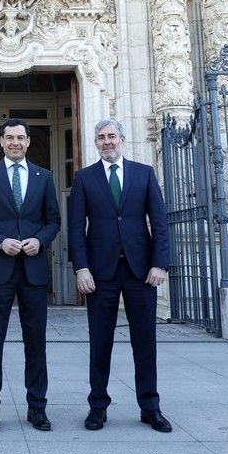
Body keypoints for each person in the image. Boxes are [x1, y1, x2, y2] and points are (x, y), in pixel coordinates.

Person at [68, 118, 172, 433]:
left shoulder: (144, 174)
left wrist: (160, 263)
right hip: (100, 274)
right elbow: (76, 229)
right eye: (101, 137)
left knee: (145, 342)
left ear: (122, 140)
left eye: (112, 136)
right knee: (100, 342)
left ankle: (150, 407)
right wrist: (80, 267)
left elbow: (160, 221)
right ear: (96, 143)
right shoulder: (84, 178)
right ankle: (98, 406)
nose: (107, 141)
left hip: (141, 273)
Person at [0, 118, 61, 434]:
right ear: (1, 141)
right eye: (9, 138)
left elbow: (53, 221)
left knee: (36, 344)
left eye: (20, 137)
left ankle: (37, 408)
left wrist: (40, 240)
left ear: (28, 141)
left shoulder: (44, 177)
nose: (15, 142)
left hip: (33, 273)